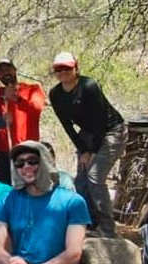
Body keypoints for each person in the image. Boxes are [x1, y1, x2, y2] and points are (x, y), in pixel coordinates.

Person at [49, 51, 126, 238]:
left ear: (75, 68)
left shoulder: (89, 86)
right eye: (58, 69)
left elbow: (100, 120)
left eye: (67, 68)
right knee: (81, 181)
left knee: (94, 177)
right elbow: (67, 126)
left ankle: (108, 229)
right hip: (87, 135)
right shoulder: (55, 94)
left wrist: (91, 151)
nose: (63, 72)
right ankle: (87, 223)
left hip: (111, 131)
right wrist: (83, 149)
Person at [0, 36, 46, 184]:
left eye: (8, 69)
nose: (5, 72)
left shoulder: (32, 89)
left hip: (27, 149)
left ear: (15, 70)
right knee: (6, 188)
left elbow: (36, 108)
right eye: (1, 71)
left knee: (31, 186)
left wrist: (15, 99)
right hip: (3, 151)